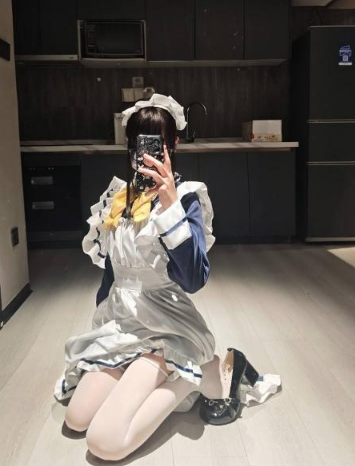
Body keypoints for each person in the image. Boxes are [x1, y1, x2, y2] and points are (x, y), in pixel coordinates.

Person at [53, 93, 279, 462]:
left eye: (156, 142)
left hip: (165, 327)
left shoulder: (186, 198)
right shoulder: (118, 198)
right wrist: (103, 327)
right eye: (138, 141)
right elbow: (112, 273)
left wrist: (171, 206)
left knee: (104, 443)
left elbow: (193, 280)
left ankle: (197, 375)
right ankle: (161, 373)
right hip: (123, 323)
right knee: (76, 419)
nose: (146, 151)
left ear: (172, 145)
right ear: (130, 146)